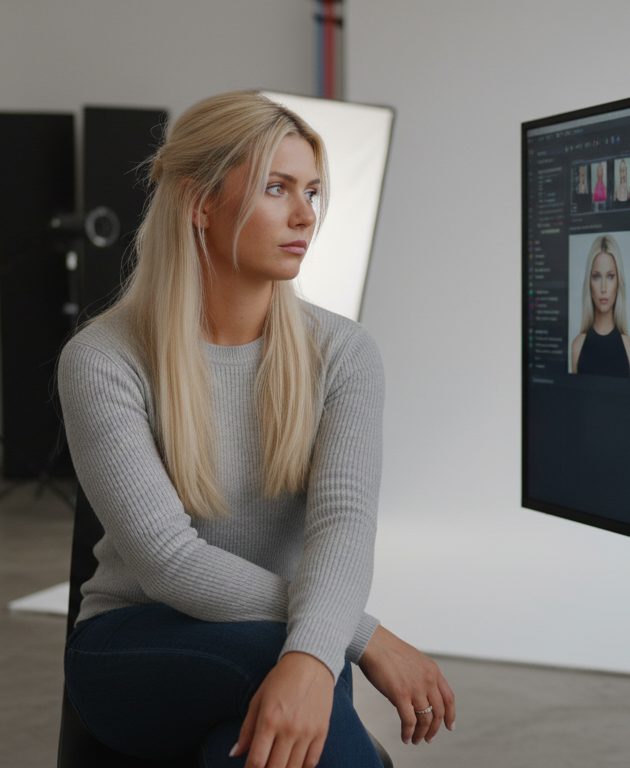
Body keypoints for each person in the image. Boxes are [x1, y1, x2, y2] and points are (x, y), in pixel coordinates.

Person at [59, 91, 456, 767]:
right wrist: (357, 636)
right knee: (299, 656)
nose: (305, 215)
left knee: (260, 728)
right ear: (200, 203)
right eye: (278, 188)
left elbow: (343, 525)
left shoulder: (343, 352)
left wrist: (315, 644)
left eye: (312, 191)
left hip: (267, 640)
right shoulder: (104, 358)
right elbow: (168, 561)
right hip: (134, 647)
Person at [571, 234, 630, 378]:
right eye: (596, 276)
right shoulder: (577, 346)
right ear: (589, 282)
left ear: (618, 282)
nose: (603, 288)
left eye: (610, 276)